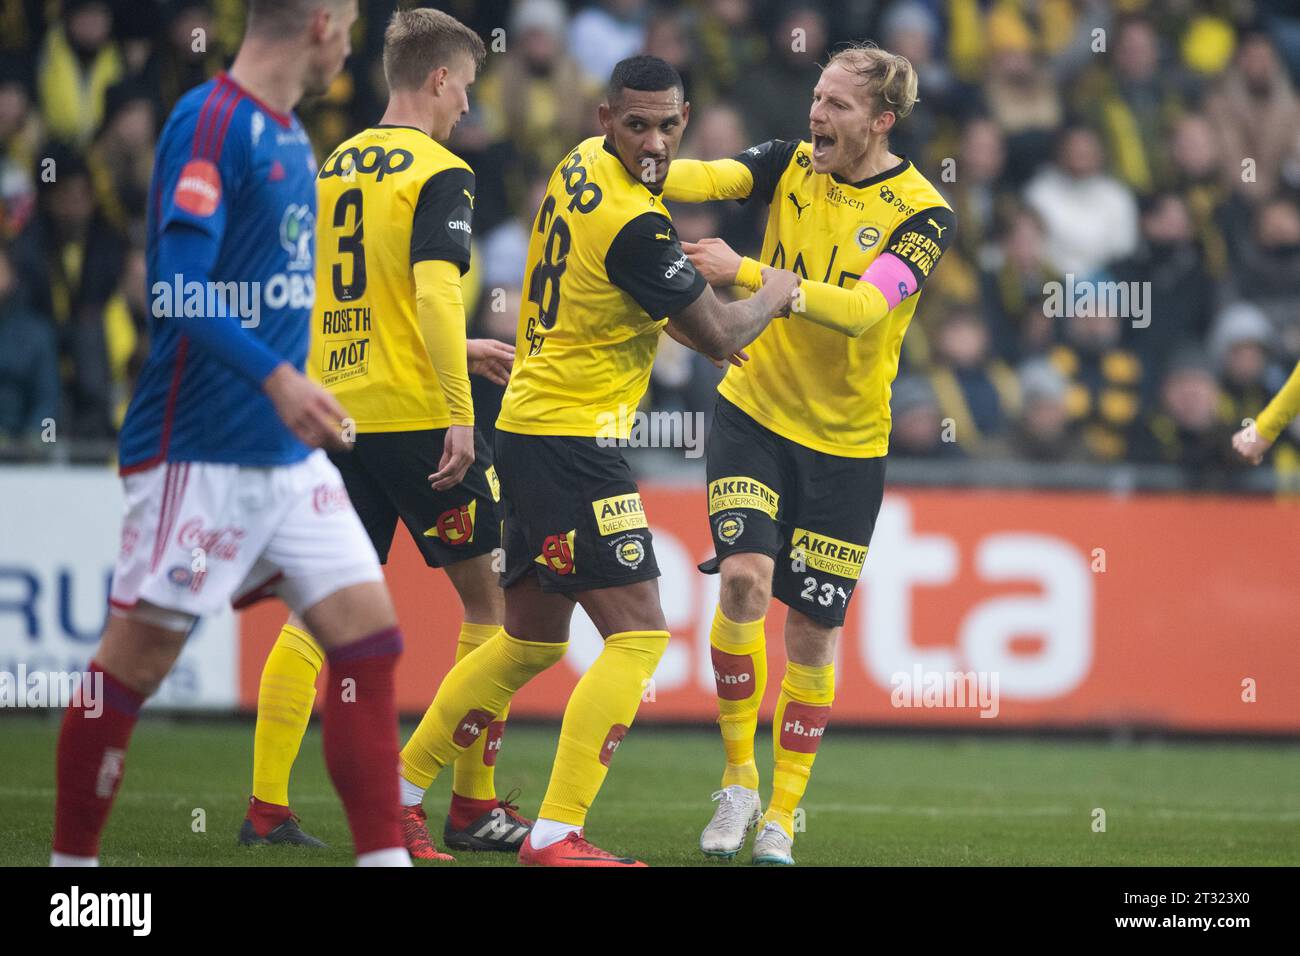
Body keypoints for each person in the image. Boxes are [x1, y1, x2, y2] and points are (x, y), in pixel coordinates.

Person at [393, 54, 798, 866]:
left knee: (530, 645)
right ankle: (555, 834)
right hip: (576, 443)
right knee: (641, 637)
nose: (653, 143)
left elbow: (659, 305)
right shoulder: (635, 221)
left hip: (535, 429)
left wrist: (712, 317)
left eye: (667, 125)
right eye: (637, 124)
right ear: (605, 117)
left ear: (683, 120)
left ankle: (396, 794)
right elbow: (716, 332)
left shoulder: (580, 167)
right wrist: (775, 293)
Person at [50, 0, 413, 868]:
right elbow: (174, 286)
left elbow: (274, 298)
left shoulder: (289, 135)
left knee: (370, 638)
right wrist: (278, 377)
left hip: (287, 459)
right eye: (354, 24)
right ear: (321, 22)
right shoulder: (211, 122)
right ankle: (70, 878)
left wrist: (309, 370)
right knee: (130, 670)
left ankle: (383, 861)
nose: (353, 43)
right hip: (199, 451)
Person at [237, 8, 528, 861]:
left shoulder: (337, 163)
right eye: (467, 88)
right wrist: (459, 408)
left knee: (315, 609)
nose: (468, 108)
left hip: (338, 411)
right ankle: (471, 806)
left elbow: (347, 290)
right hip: (413, 417)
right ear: (438, 80)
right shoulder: (444, 171)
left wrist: (443, 345)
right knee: (494, 609)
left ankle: (265, 807)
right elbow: (435, 293)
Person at [660, 43, 956, 865]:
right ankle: (738, 781)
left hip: (847, 446)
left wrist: (753, 273)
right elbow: (711, 178)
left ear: (882, 120)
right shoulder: (792, 162)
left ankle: (784, 817)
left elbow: (864, 309)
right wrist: (635, 154)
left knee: (816, 635)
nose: (817, 116)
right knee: (748, 582)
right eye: (817, 98)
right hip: (752, 410)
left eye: (837, 106)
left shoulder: (924, 214)